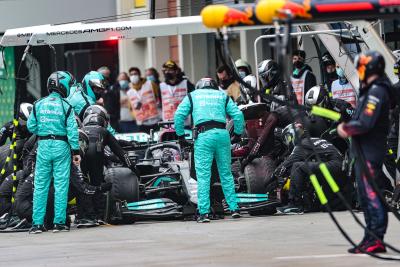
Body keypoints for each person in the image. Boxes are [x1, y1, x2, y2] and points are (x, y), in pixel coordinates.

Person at [337, 51, 392, 254]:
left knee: (371, 195)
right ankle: (370, 237)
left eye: (361, 67)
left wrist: (345, 129)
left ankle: (377, 238)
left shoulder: (377, 91)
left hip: (370, 153)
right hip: (362, 152)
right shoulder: (370, 90)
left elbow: (366, 122)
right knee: (364, 196)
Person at [174, 77, 244, 223]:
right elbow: (238, 115)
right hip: (222, 134)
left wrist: (181, 136)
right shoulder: (222, 95)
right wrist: (237, 134)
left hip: (204, 135)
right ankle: (234, 208)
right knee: (226, 173)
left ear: (199, 86)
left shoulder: (193, 95)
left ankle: (204, 213)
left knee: (203, 175)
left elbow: (179, 115)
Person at [27, 71, 80, 234]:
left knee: (40, 186)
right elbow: (72, 131)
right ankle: (59, 223)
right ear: (63, 86)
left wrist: (44, 131)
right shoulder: (66, 106)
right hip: (61, 146)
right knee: (60, 185)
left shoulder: (38, 104)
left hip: (42, 145)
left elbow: (31, 126)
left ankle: (37, 224)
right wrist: (76, 150)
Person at [276, 123, 345, 214]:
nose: (288, 142)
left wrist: (274, 176)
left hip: (333, 165)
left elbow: (288, 163)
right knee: (305, 168)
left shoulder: (302, 144)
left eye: (287, 138)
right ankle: (311, 204)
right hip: (341, 168)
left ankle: (295, 204)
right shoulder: (315, 140)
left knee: (297, 166)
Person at [81, 108, 134, 222]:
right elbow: (120, 153)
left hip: (80, 158)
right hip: (96, 158)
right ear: (103, 121)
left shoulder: (80, 129)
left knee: (82, 186)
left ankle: (83, 216)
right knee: (98, 183)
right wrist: (133, 168)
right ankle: (99, 216)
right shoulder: (104, 131)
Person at [128, 67, 160, 133]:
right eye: (131, 74)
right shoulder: (129, 92)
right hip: (142, 123)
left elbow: (158, 96)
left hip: (155, 120)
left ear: (139, 75)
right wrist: (136, 116)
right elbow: (131, 108)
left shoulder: (150, 84)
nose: (133, 76)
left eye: (135, 74)